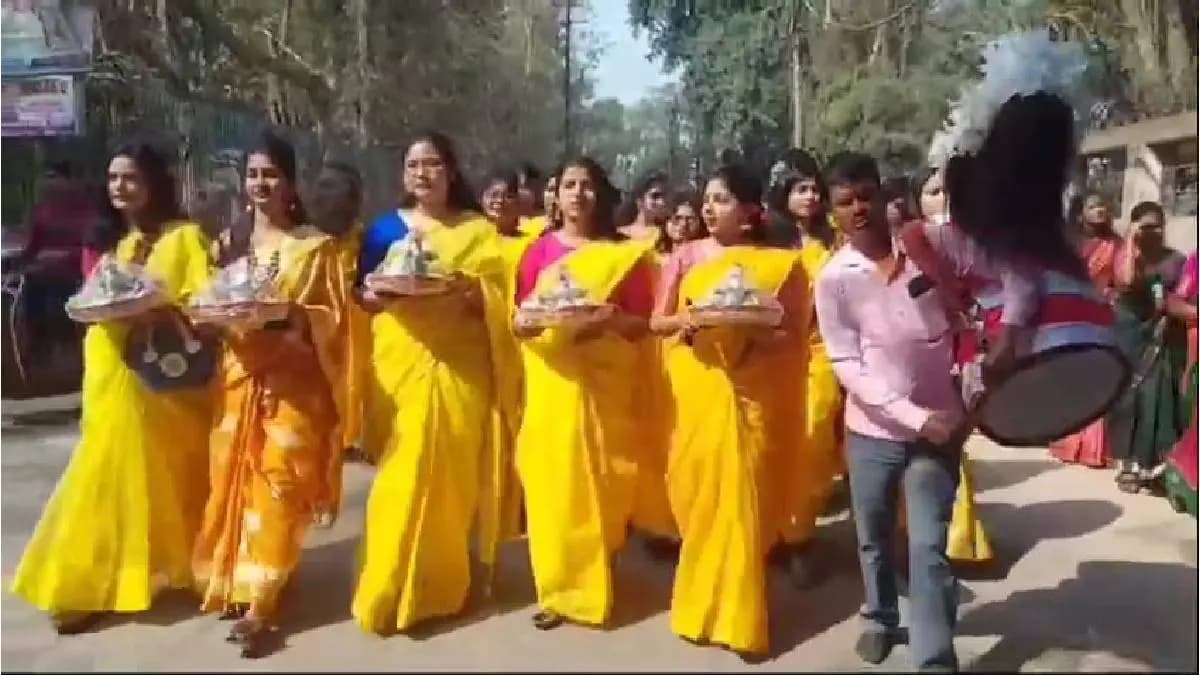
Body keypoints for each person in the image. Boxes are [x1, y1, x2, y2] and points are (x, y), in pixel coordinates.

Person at [12, 144, 213, 635]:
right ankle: (88, 583)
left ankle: (185, 566)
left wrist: (155, 310)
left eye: (130, 178)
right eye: (113, 179)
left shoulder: (185, 238)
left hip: (162, 376)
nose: (120, 188)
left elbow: (205, 306)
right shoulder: (116, 245)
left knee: (164, 475)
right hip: (109, 368)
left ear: (154, 184)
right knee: (103, 473)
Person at [352, 133, 516, 635]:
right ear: (404, 175)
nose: (423, 173)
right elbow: (362, 292)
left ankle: (441, 587)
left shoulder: (477, 231)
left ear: (451, 173)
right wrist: (385, 295)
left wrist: (470, 290)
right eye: (413, 164)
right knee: (399, 478)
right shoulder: (383, 230)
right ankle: (386, 589)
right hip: (400, 361)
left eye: (433, 164)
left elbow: (498, 296)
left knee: (450, 482)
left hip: (460, 366)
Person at [192, 131, 349, 657]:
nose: (261, 184)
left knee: (279, 486)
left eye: (271, 175)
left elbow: (333, 319)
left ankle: (262, 605)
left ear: (290, 183)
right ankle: (246, 583)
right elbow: (209, 307)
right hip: (238, 380)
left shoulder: (313, 247)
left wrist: (288, 316)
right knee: (234, 486)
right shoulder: (227, 245)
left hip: (295, 386)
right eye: (253, 175)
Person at [651, 163, 810, 657]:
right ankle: (698, 606)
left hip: (754, 394)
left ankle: (741, 619)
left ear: (748, 212)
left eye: (721, 199)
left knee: (745, 500)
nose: (708, 207)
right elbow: (659, 321)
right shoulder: (685, 256)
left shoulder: (780, 263)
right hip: (701, 390)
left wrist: (756, 329)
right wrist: (693, 321)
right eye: (707, 198)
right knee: (699, 500)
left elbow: (794, 332)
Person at [512, 156, 655, 631]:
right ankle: (558, 590)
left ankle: (597, 575)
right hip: (553, 382)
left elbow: (641, 323)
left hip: (605, 381)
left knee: (604, 484)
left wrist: (606, 322)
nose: (578, 194)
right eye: (569, 185)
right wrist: (531, 325)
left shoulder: (624, 255)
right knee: (554, 485)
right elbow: (522, 317)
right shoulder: (537, 252)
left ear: (602, 193)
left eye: (588, 185)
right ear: (555, 194)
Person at [763, 149, 845, 588]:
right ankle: (768, 534)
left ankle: (799, 537)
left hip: (821, 352)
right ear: (781, 193)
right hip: (772, 353)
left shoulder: (835, 239)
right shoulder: (765, 239)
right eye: (800, 188)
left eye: (815, 188)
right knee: (771, 442)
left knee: (812, 443)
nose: (811, 196)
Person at [906, 166, 993, 565]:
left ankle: (960, 540)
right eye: (933, 191)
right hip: (921, 350)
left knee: (955, 439)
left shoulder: (975, 239)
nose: (943, 198)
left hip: (965, 347)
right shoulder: (910, 240)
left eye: (948, 190)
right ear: (917, 199)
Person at [1108, 201, 1189, 494]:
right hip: (1127, 332)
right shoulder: (1126, 255)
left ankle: (1151, 466)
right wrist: (1131, 239)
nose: (1153, 231)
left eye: (1158, 226)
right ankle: (1126, 467)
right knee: (1126, 399)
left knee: (1155, 398)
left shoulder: (1175, 259)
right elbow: (1126, 281)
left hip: (1161, 332)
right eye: (1146, 225)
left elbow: (1181, 295)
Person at [1049, 192, 1123, 468]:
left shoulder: (1117, 245)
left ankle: (1096, 448)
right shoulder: (1069, 245)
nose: (1100, 210)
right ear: (1080, 214)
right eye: (1093, 206)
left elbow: (1123, 279)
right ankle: (1070, 442)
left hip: (1105, 315)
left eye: (1103, 204)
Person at [310, 160, 369, 463]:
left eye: (343, 193)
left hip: (356, 332)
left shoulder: (365, 240)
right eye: (325, 190)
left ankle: (348, 435)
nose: (332, 198)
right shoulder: (305, 243)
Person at [19, 160, 93, 362]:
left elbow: (92, 246)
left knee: (58, 294)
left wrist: (65, 255)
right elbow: (31, 247)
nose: (51, 185)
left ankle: (66, 345)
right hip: (42, 271)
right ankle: (36, 343)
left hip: (75, 271)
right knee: (28, 289)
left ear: (69, 182)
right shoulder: (42, 212)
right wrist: (25, 260)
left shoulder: (85, 211)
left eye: (55, 179)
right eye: (47, 180)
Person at [617, 170, 671, 244]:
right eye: (655, 196)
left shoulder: (667, 236)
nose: (661, 202)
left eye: (664, 196)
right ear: (639, 199)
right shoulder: (619, 234)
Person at [662, 190, 705, 255]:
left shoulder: (705, 256)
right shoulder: (653, 257)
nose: (683, 224)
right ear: (666, 221)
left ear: (699, 222)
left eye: (690, 219)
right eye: (677, 218)